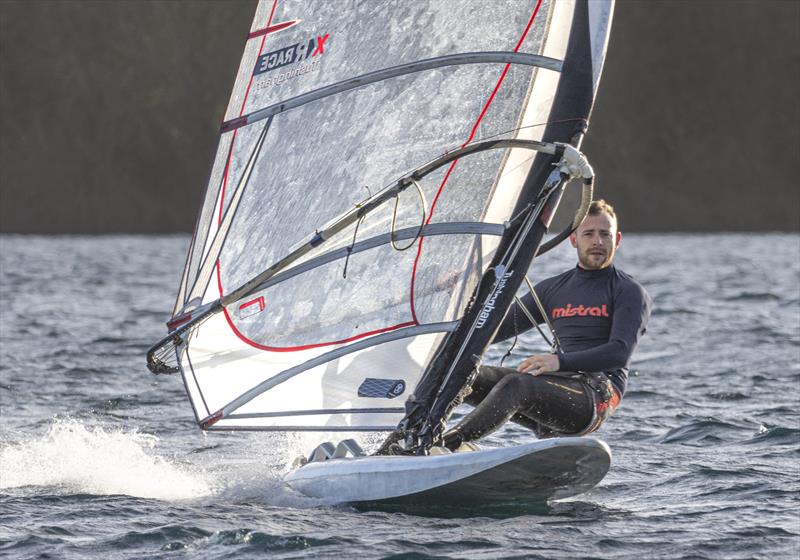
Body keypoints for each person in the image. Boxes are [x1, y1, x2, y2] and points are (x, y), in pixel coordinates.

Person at [441, 199, 651, 449]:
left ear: (616, 239)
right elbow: (491, 330)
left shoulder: (628, 291)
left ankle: (450, 444)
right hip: (554, 387)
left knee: (517, 384)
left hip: (595, 398)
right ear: (574, 240)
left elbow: (619, 353)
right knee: (465, 374)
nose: (597, 241)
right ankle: (419, 439)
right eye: (589, 234)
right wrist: (463, 293)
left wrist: (559, 361)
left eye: (605, 234)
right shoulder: (553, 289)